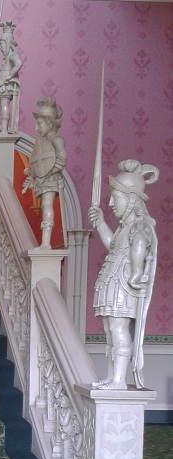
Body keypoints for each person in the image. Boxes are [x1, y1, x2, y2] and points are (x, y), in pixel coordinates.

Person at [88, 159, 158, 389]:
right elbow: (114, 246)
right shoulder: (122, 228)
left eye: (115, 197)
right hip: (114, 279)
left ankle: (118, 380)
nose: (110, 202)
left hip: (123, 281)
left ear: (131, 200)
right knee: (110, 330)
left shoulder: (139, 226)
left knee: (118, 328)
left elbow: (139, 245)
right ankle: (112, 376)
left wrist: (137, 272)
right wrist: (100, 223)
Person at [22, 98, 67, 249]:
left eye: (39, 123)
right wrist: (32, 171)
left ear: (49, 123)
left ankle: (46, 243)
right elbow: (41, 161)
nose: (36, 128)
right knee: (44, 207)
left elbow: (61, 159)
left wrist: (46, 173)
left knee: (47, 205)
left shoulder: (56, 139)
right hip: (44, 178)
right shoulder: (43, 141)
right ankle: (45, 241)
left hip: (51, 178)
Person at [0, 20, 22, 134]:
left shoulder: (13, 55)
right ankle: (3, 129)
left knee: (4, 104)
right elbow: (0, 72)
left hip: (6, 84)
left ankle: (4, 130)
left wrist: (9, 76)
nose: (0, 48)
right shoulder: (5, 60)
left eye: (2, 44)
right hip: (1, 82)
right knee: (1, 106)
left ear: (8, 44)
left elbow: (19, 64)